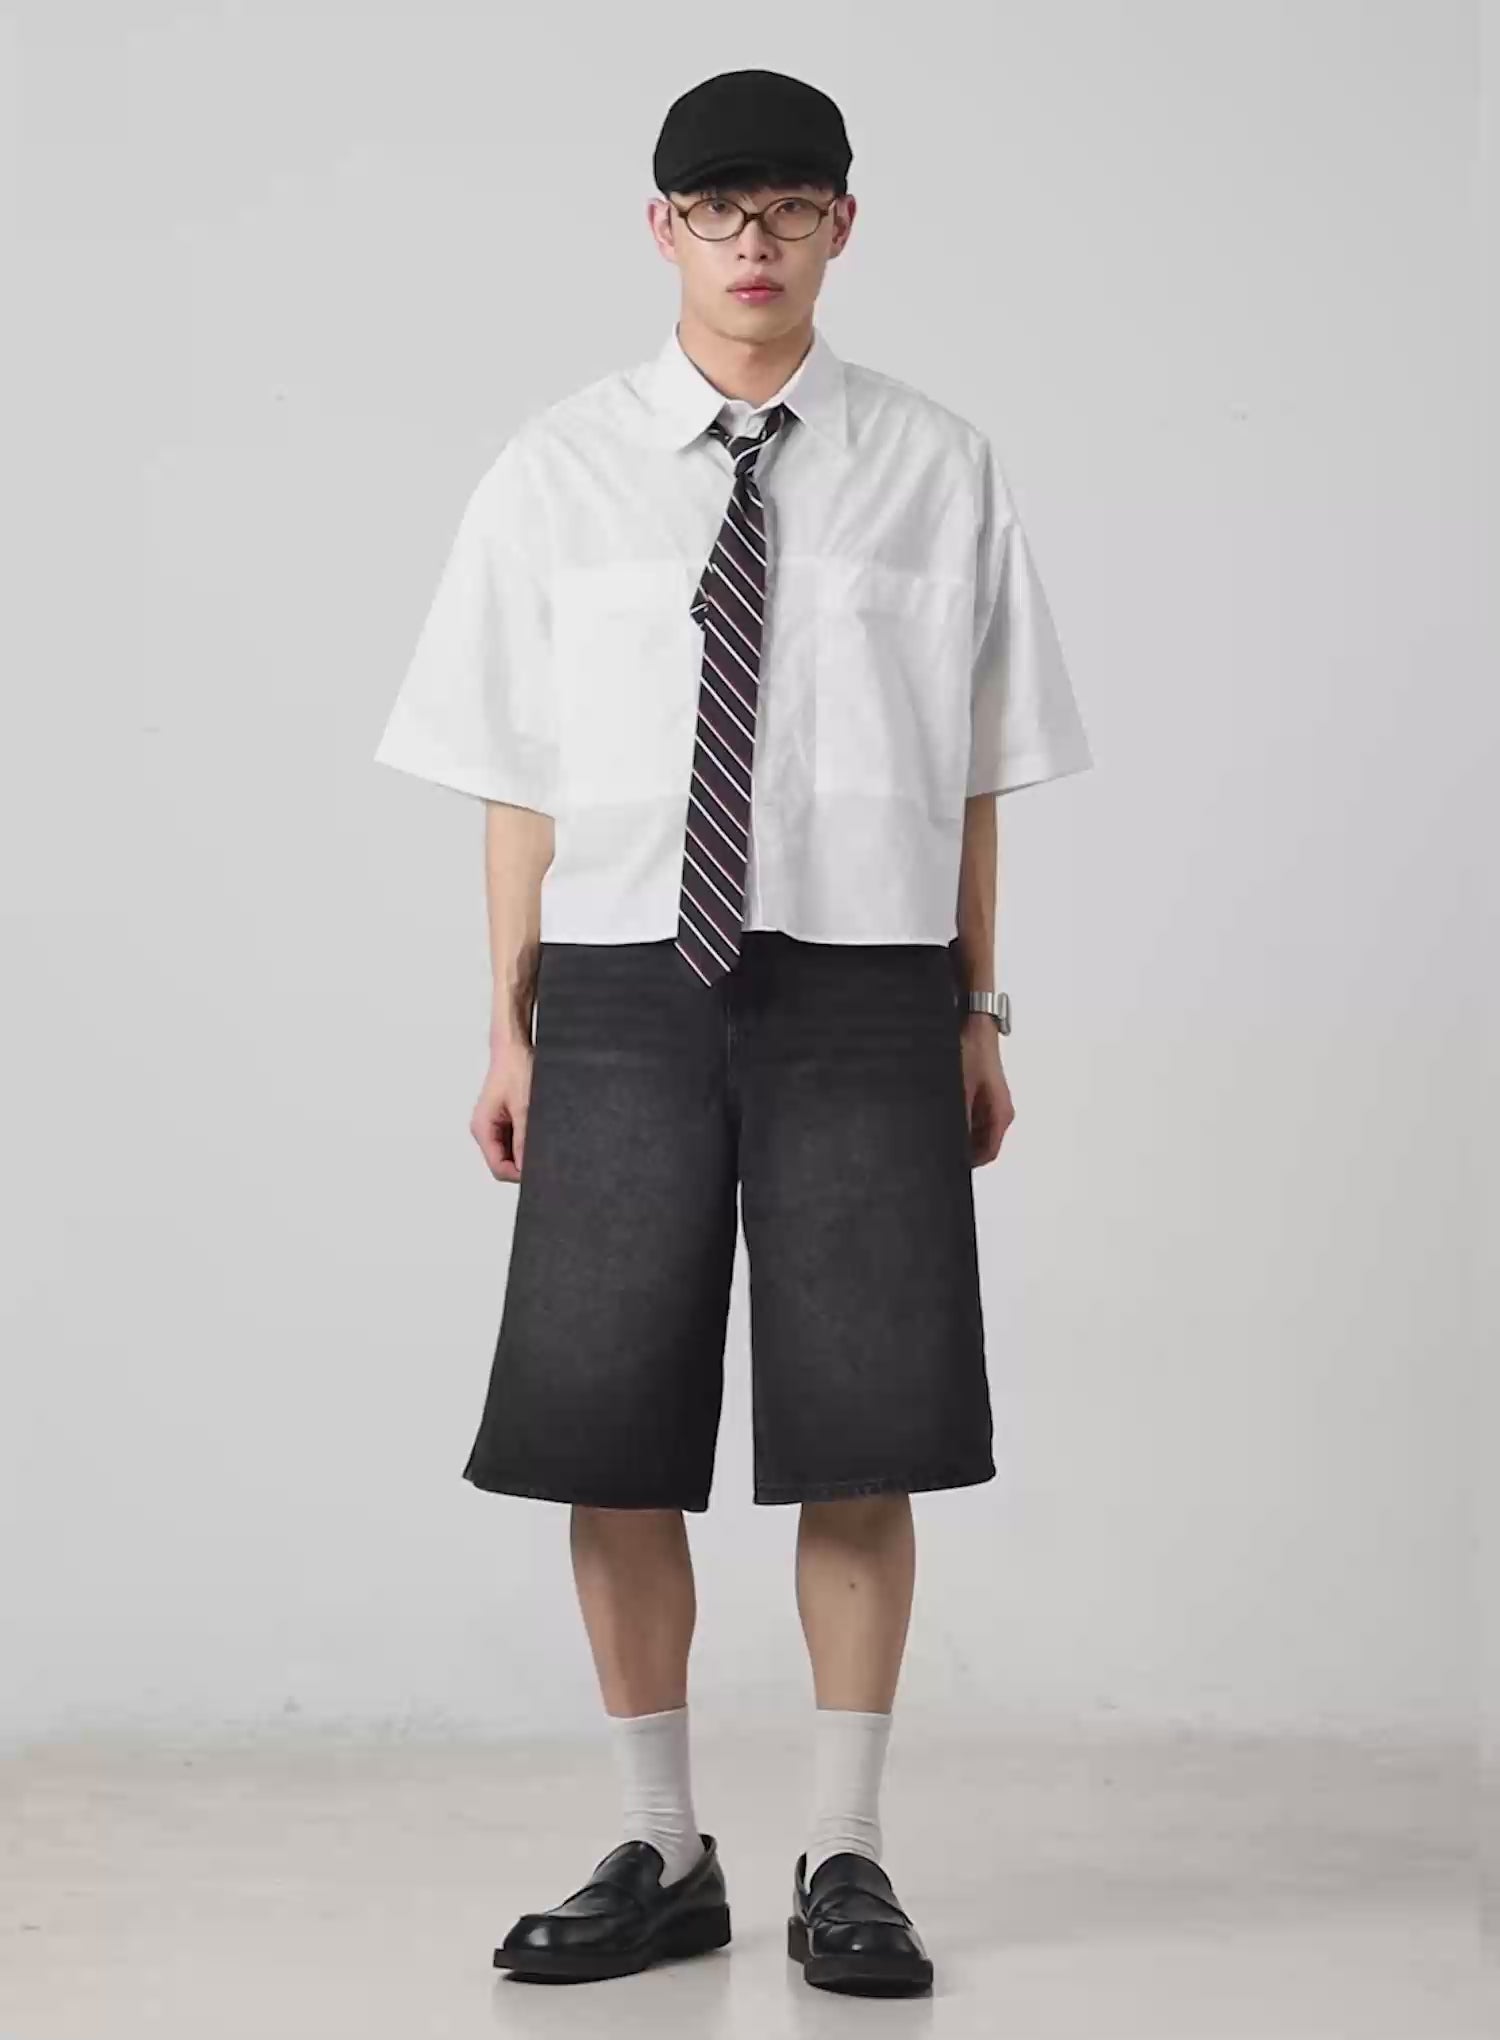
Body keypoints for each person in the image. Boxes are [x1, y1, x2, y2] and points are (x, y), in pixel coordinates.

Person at [374, 66, 1092, 1998]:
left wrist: (977, 1006)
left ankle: (847, 1854)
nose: (751, 241)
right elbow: (517, 778)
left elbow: (973, 778)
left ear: (844, 225)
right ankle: (660, 1843)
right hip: (621, 983)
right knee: (607, 1430)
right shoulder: (556, 469)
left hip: (868, 983)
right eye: (716, 208)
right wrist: (509, 1026)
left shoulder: (940, 467)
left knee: (866, 1424)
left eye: (787, 205)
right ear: (660, 228)